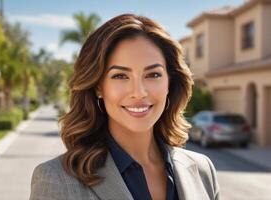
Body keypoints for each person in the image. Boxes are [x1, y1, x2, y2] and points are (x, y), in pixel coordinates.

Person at [29, 13, 219, 200]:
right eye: (120, 76)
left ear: (170, 82)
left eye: (153, 75)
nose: (139, 92)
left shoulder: (202, 170)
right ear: (98, 87)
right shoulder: (56, 179)